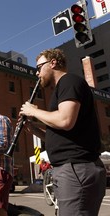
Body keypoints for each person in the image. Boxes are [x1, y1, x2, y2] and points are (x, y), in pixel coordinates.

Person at [19, 48, 106, 216]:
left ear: (53, 63)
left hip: (76, 168)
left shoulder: (69, 81)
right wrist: (34, 129)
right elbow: (61, 134)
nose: (37, 74)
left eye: (39, 68)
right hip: (71, 169)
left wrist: (33, 111)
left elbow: (65, 120)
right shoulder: (62, 88)